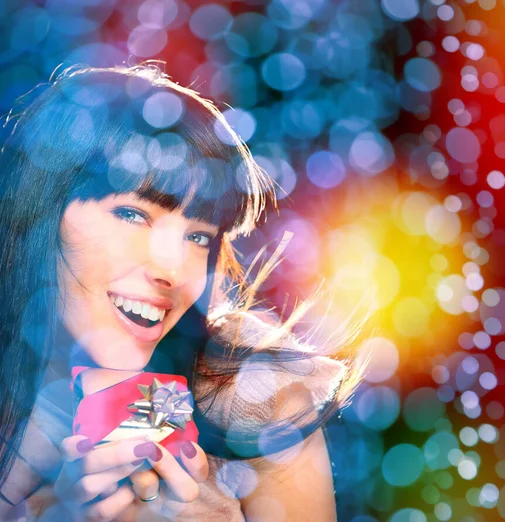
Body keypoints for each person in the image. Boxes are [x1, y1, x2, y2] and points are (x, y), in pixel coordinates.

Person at [0, 65, 359, 521]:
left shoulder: (256, 399)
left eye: (199, 237)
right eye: (132, 214)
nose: (173, 269)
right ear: (37, 211)